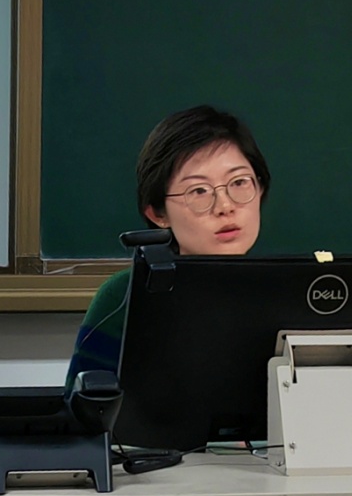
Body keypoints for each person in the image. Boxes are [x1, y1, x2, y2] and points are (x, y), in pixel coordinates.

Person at [65, 105, 270, 387]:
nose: (225, 206)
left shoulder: (293, 291)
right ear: (158, 214)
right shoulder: (124, 296)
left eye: (239, 182)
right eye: (198, 191)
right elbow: (83, 409)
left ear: (260, 188)